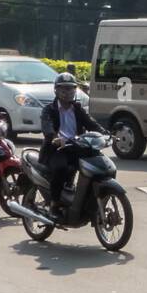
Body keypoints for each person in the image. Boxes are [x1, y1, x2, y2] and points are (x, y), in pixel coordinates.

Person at [40, 72, 104, 218]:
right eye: (64, 89)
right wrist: (55, 138)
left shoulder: (77, 108)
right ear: (56, 90)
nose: (68, 92)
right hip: (57, 150)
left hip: (76, 147)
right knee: (61, 168)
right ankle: (54, 205)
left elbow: (91, 123)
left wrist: (105, 133)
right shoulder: (49, 110)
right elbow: (47, 127)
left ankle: (85, 199)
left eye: (71, 89)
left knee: (97, 164)